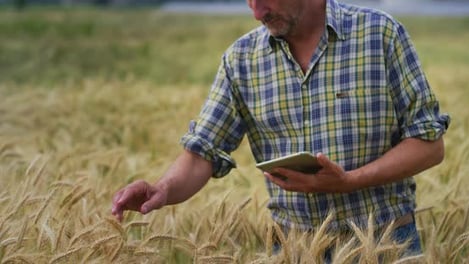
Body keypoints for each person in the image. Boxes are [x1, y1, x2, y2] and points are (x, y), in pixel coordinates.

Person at [112, 0, 450, 257]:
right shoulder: (241, 60)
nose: (257, 13)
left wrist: (349, 182)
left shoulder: (381, 35)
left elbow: (430, 144)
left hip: (386, 246)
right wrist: (163, 189)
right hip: (293, 251)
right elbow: (202, 152)